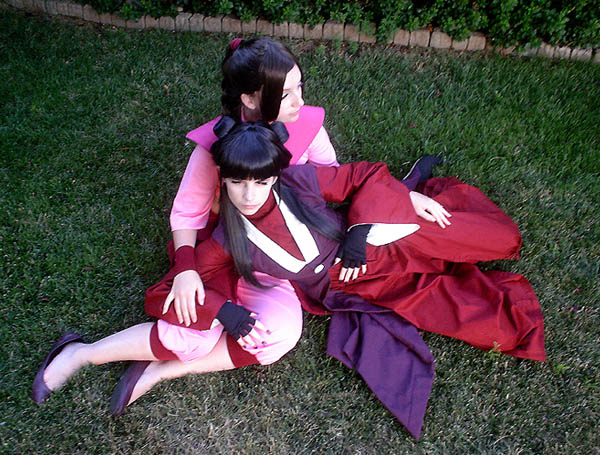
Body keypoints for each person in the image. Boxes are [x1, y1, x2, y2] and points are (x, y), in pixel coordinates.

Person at [32, 38, 446, 416]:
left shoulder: (306, 124)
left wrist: (398, 197)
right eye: (286, 93)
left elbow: (336, 179)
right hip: (224, 245)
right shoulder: (216, 148)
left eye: (300, 87)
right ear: (250, 98)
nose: (300, 101)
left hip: (277, 252)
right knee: (190, 336)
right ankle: (81, 353)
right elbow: (187, 213)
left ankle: (161, 370)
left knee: (279, 334)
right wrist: (187, 268)